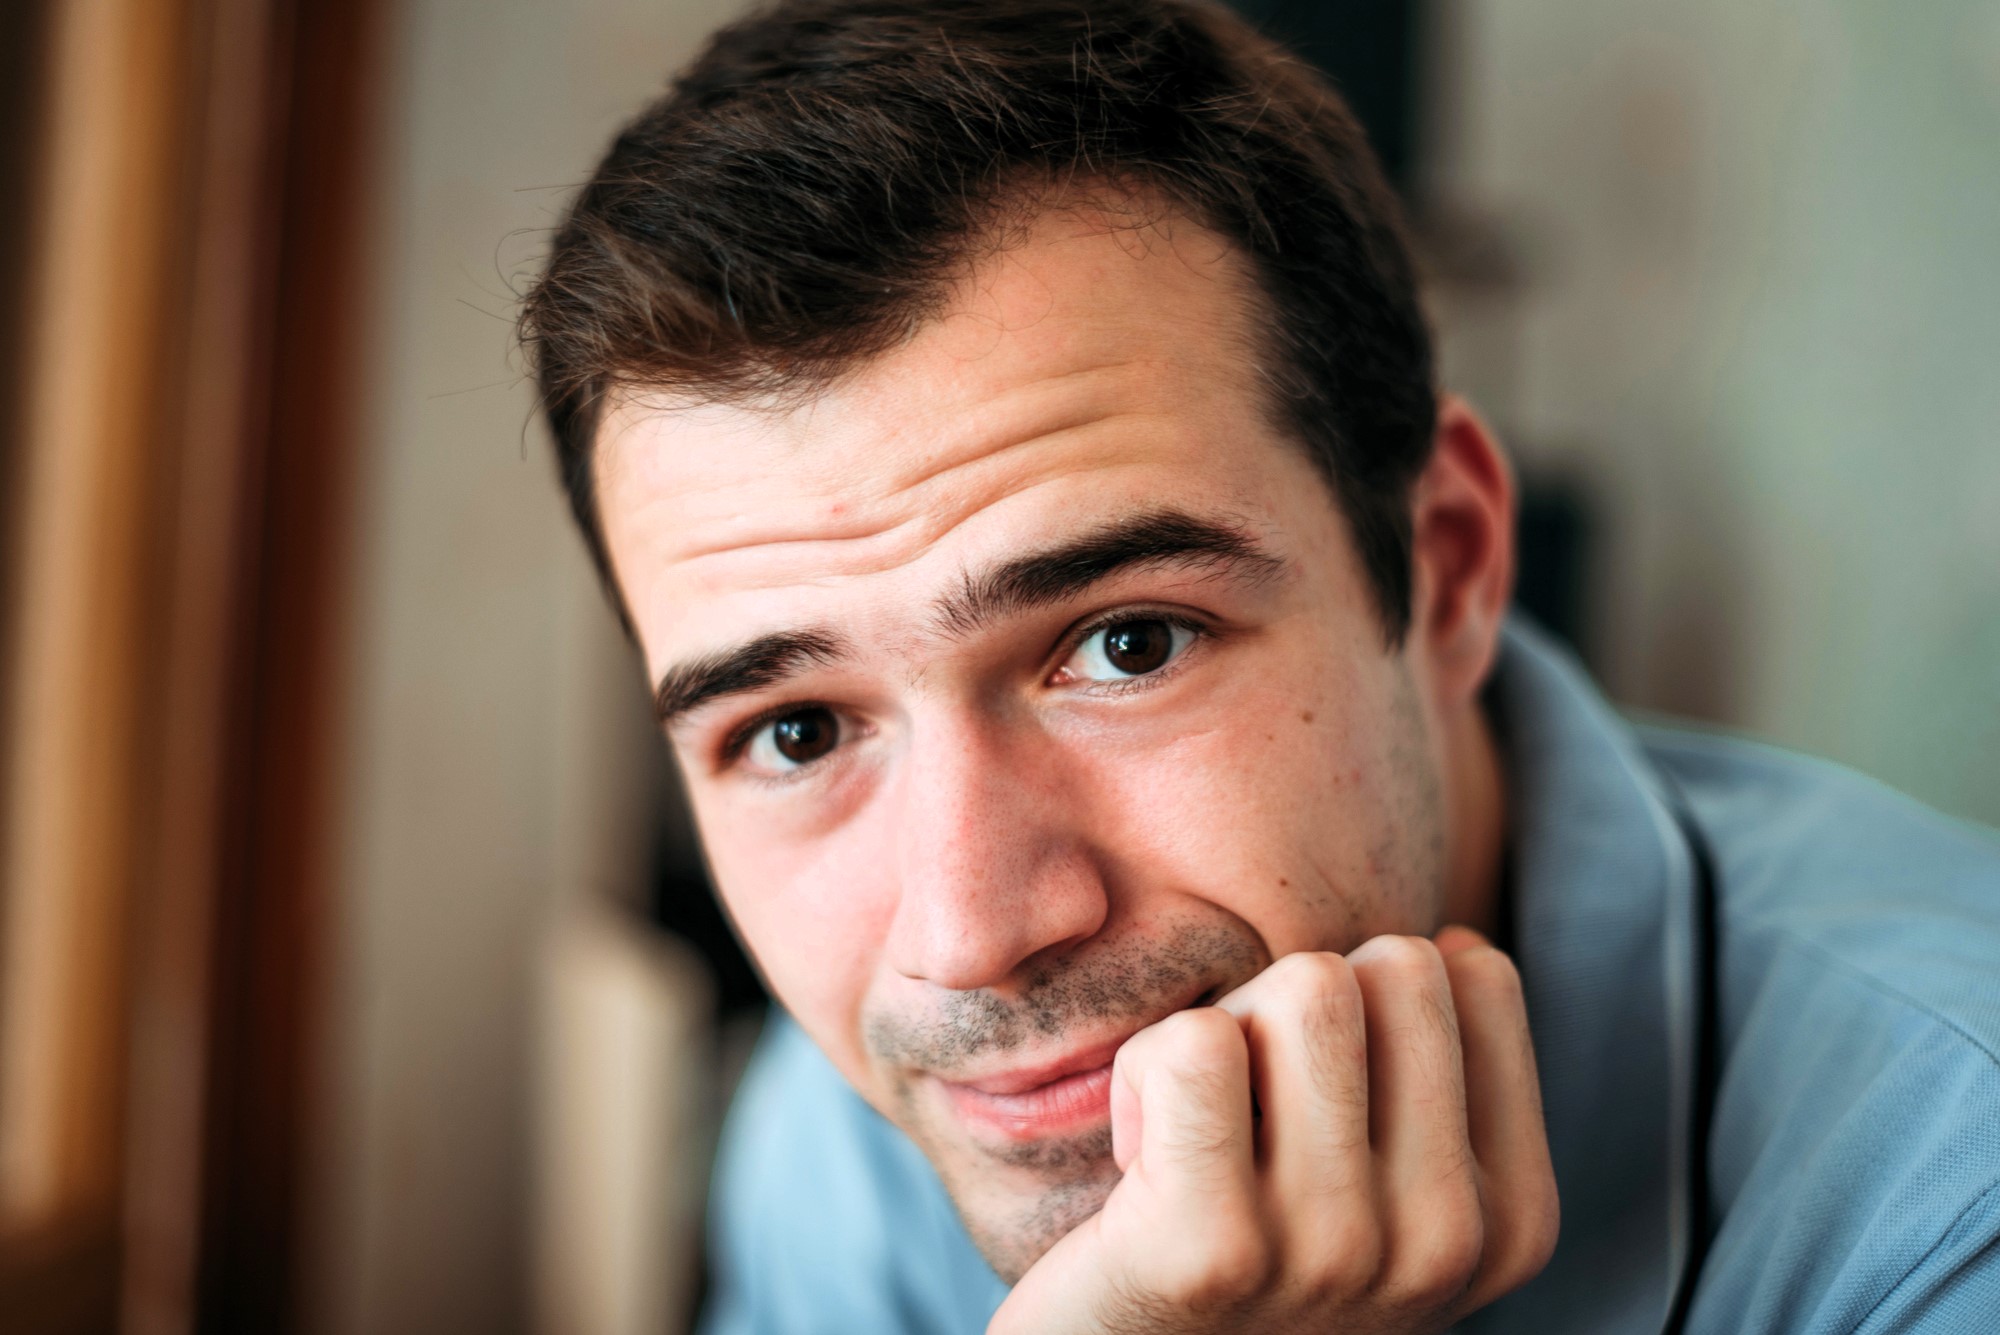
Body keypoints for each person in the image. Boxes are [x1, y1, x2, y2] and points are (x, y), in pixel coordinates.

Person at [518, 1, 2000, 1330]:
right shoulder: (853, 1130)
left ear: (1450, 564)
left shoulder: (1949, 1197)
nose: (965, 938)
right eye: (793, 734)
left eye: (1127, 643)